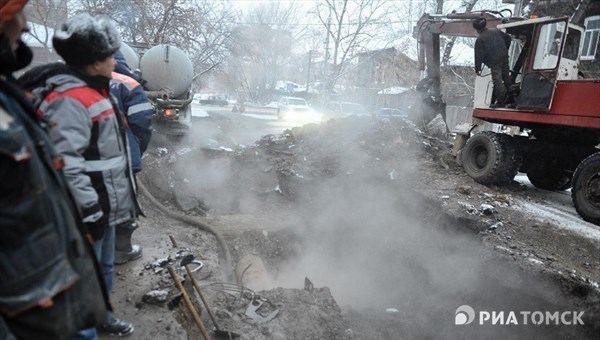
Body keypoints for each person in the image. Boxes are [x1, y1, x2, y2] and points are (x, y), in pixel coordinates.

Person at [19, 13, 138, 338]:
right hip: (86, 211)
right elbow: (66, 163)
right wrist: (88, 211)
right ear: (94, 61)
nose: (115, 59)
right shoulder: (70, 100)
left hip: (104, 206)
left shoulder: (96, 90)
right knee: (83, 279)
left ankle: (103, 316)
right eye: (110, 54)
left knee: (103, 269)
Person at [0, 1, 109, 338]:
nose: (26, 25)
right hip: (23, 305)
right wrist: (89, 209)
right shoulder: (70, 97)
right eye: (13, 13)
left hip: (37, 292)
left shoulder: (9, 96)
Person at [110, 51, 153, 265]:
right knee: (124, 202)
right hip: (121, 157)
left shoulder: (72, 82)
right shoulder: (127, 83)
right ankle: (121, 250)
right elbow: (142, 121)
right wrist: (137, 148)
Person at [473, 17, 512, 108]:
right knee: (506, 78)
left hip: (495, 61)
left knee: (497, 81)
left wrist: (478, 69)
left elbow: (478, 56)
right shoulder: (496, 31)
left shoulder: (480, 39)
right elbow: (508, 38)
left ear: (477, 29)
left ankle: (502, 101)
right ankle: (512, 97)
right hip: (504, 57)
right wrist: (505, 49)